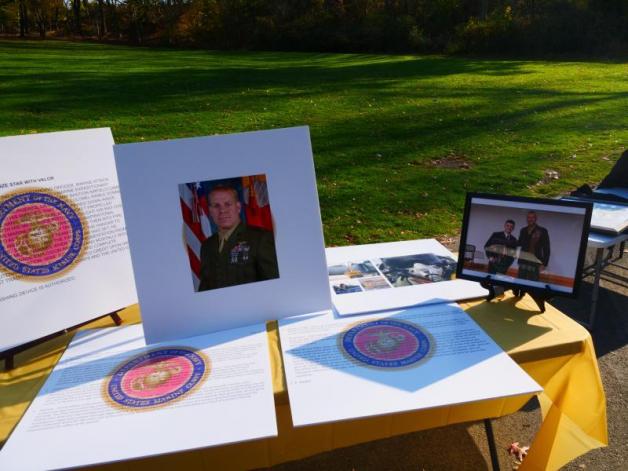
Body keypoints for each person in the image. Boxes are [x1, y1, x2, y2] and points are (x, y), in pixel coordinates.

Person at [198, 185, 279, 291]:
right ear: (210, 211)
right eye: (216, 206)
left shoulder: (261, 238)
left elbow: (274, 286)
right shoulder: (206, 245)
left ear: (238, 207)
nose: (222, 210)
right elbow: (204, 287)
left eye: (228, 204)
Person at [517, 211, 550, 281]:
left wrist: (544, 264)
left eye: (532, 217)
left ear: (536, 219)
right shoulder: (523, 230)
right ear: (526, 219)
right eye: (529, 217)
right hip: (523, 261)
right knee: (520, 281)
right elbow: (519, 243)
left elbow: (546, 248)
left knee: (533, 281)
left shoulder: (542, 231)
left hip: (535, 262)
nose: (530, 219)